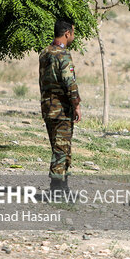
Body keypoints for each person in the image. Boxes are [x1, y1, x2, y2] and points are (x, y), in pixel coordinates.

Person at [39, 20, 81, 192]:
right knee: (61, 150)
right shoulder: (63, 55)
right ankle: (57, 189)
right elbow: (69, 83)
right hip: (62, 110)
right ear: (67, 34)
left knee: (58, 147)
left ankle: (62, 186)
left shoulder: (44, 52)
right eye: (73, 33)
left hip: (48, 107)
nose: (73, 36)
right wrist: (76, 105)